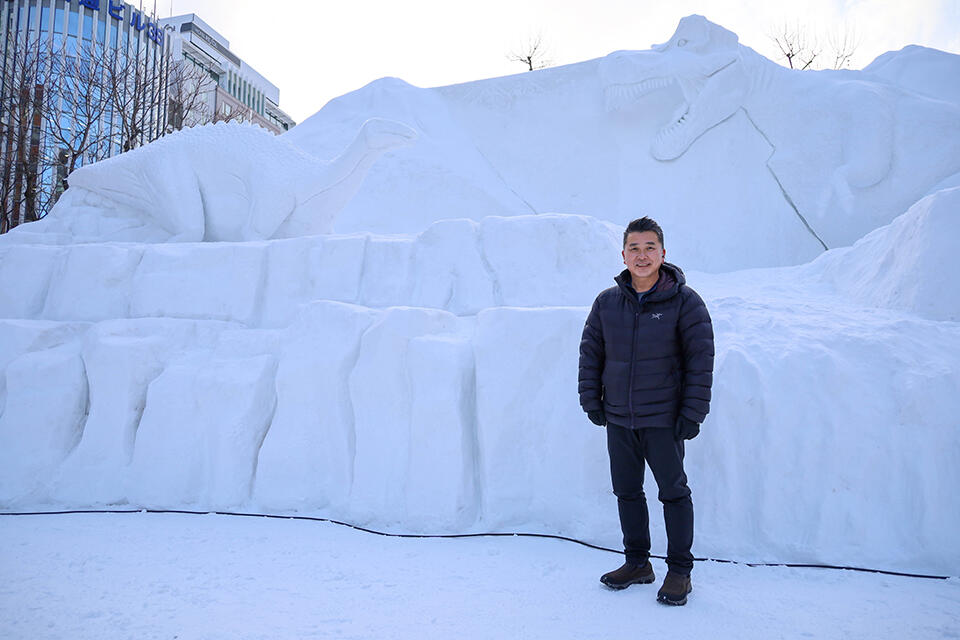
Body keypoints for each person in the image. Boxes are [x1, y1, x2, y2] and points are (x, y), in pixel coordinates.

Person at [578, 216, 714, 606]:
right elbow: (591, 353)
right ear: (623, 254)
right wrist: (592, 400)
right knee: (627, 492)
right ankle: (638, 563)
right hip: (619, 417)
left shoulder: (685, 302)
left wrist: (693, 412)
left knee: (673, 493)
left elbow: (700, 359)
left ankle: (679, 571)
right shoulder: (607, 302)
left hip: (664, 419)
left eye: (649, 247)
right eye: (634, 248)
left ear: (663, 253)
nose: (642, 255)